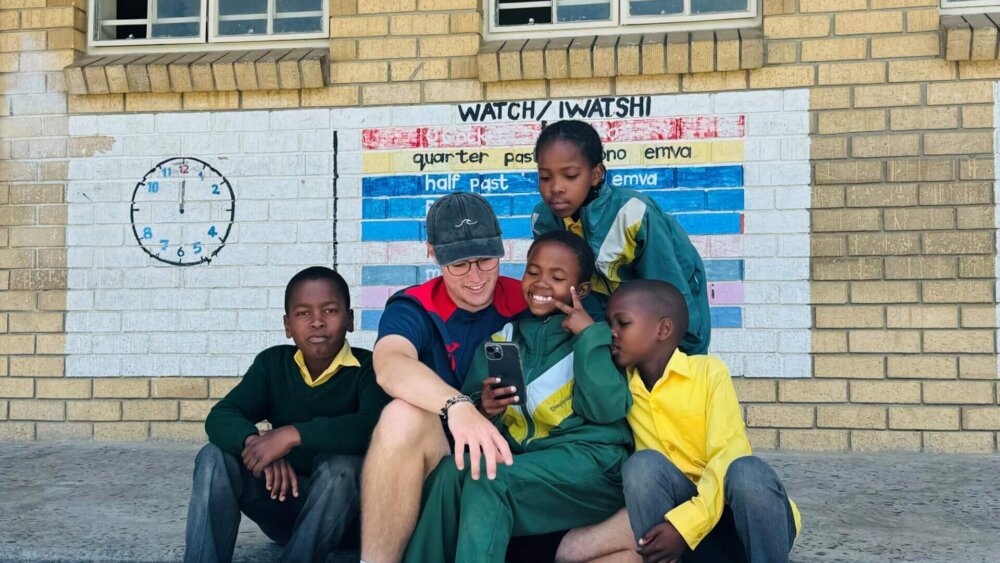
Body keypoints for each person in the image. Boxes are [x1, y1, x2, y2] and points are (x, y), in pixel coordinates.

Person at [403, 230, 633, 563]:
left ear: (581, 290)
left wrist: (586, 336)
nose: (541, 283)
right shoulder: (503, 340)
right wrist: (484, 408)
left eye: (557, 278)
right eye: (533, 272)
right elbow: (469, 418)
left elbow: (607, 409)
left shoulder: (596, 339)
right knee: (451, 472)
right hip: (528, 464)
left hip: (593, 467)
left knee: (490, 480)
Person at [360, 192, 531, 563]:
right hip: (443, 461)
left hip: (522, 461)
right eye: (459, 264)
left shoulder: (528, 299)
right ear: (433, 254)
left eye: (486, 260)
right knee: (401, 415)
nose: (476, 277)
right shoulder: (416, 305)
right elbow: (389, 363)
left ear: (502, 246)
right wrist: (458, 406)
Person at [184, 266, 390, 563]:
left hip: (346, 516)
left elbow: (369, 428)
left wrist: (290, 436)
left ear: (349, 319)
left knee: (343, 466)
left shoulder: (369, 368)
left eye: (330, 311)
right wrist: (257, 446)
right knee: (213, 455)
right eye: (303, 313)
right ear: (287, 325)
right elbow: (222, 415)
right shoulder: (273, 364)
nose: (317, 321)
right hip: (282, 507)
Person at [607, 280, 800, 563]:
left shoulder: (709, 373)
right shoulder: (619, 387)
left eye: (622, 323)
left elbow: (727, 452)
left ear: (662, 329)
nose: (611, 332)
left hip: (744, 527)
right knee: (642, 467)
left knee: (747, 471)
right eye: (608, 324)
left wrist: (685, 525)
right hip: (689, 541)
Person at [530, 120, 711, 356]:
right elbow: (568, 291)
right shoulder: (544, 220)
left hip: (667, 326)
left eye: (570, 176)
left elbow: (670, 294)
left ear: (596, 174)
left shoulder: (633, 214)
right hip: (606, 331)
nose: (556, 188)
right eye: (545, 177)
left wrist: (682, 355)